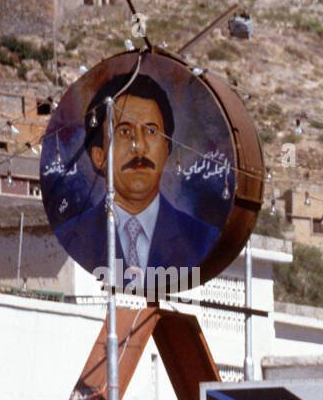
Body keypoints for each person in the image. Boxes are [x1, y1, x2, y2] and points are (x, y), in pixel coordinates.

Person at [54, 73, 220, 286]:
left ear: (166, 150)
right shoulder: (73, 238)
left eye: (151, 131)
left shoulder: (203, 241)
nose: (139, 147)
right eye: (124, 132)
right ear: (99, 156)